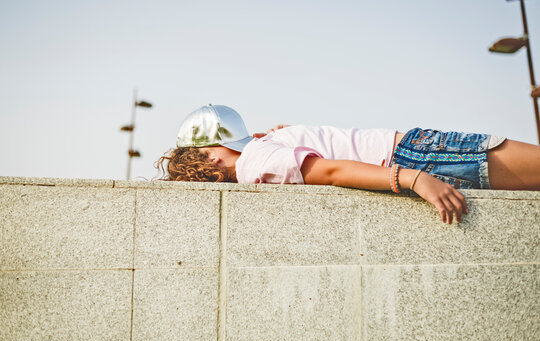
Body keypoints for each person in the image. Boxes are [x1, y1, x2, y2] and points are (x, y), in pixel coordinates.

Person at [157, 104, 540, 224]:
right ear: (210, 154)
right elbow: (332, 171)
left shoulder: (256, 154)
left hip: (416, 151)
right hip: (414, 157)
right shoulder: (253, 165)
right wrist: (415, 179)